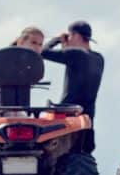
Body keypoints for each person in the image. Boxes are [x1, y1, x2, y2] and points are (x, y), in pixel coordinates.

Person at [42, 20, 104, 151]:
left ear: (75, 36)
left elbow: (42, 52)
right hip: (87, 118)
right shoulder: (99, 59)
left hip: (67, 116)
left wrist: (57, 40)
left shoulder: (75, 54)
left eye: (69, 36)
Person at [0, 26, 45, 107]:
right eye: (33, 43)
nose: (37, 47)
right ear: (20, 42)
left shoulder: (28, 65)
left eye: (40, 44)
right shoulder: (11, 60)